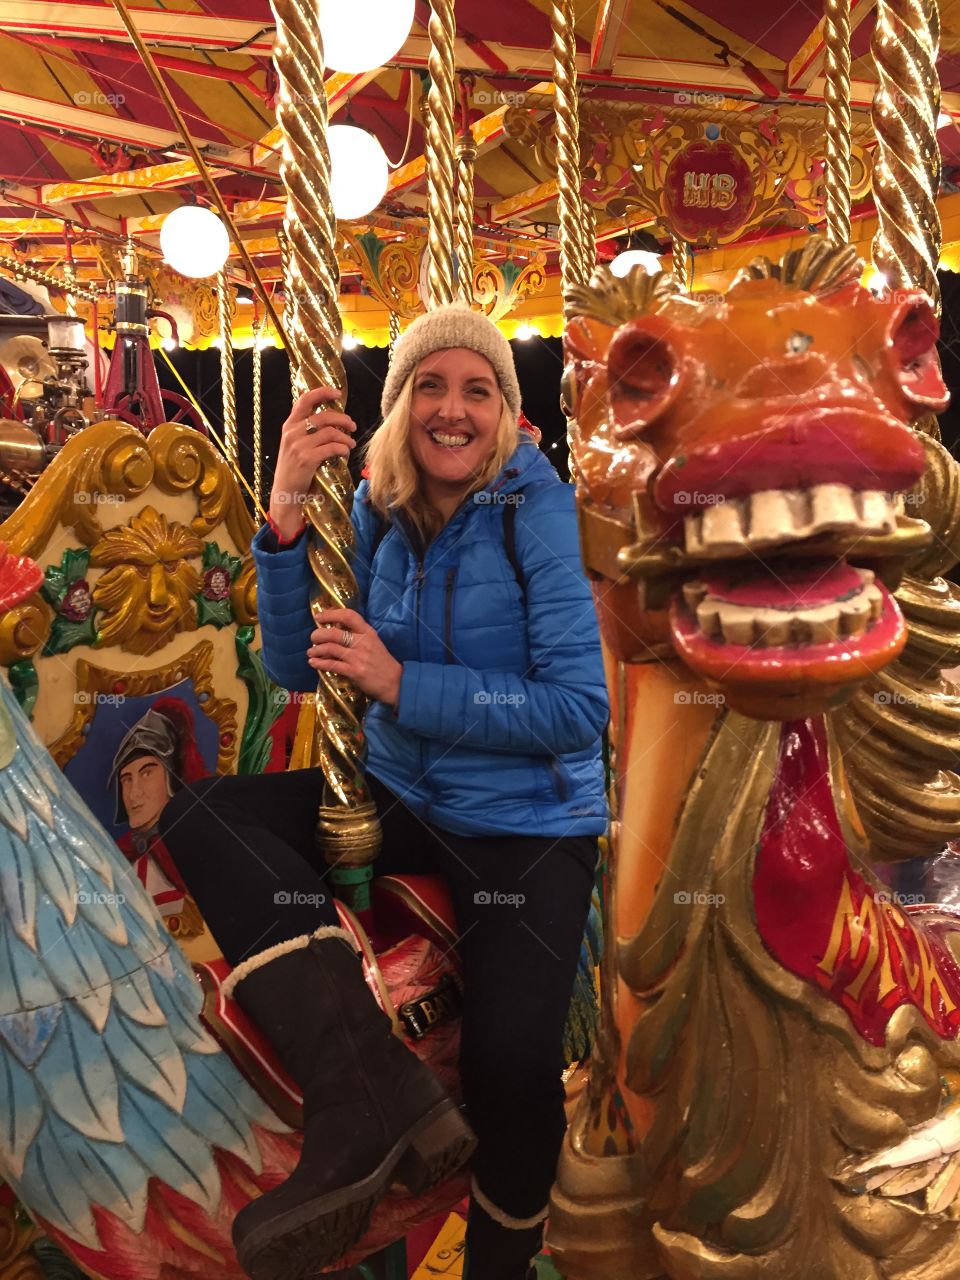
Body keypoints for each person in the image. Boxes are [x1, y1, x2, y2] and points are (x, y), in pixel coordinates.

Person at [159, 302, 609, 1280]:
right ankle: (363, 1084)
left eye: (478, 390)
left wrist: (403, 684)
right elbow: (297, 667)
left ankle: (500, 1255)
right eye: (429, 386)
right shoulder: (373, 507)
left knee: (509, 1061)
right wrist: (285, 516)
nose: (453, 409)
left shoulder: (536, 510)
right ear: (399, 405)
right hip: (405, 792)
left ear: (505, 412)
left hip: (524, 820)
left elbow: (576, 708)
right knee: (201, 814)